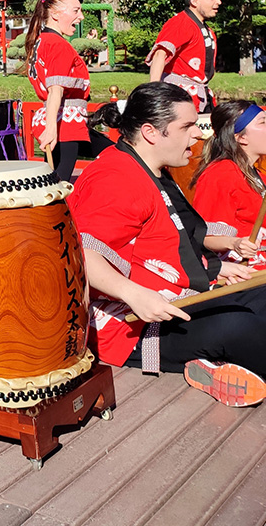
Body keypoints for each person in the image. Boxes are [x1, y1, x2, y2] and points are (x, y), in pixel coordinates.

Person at [72, 82, 266, 406]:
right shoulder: (114, 178)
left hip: (180, 299)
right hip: (135, 324)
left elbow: (169, 240)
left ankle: (209, 363)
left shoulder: (152, 169)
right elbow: (82, 253)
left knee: (260, 297)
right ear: (151, 132)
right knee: (241, 326)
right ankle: (211, 359)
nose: (198, 134)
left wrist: (218, 266)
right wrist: (133, 293)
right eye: (187, 126)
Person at [24, 0, 111, 181]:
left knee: (115, 153)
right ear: (55, 14)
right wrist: (51, 129)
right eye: (75, 11)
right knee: (59, 183)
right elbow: (56, 89)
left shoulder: (40, 41)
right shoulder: (57, 44)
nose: (81, 16)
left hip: (62, 119)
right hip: (64, 123)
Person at [192, 101, 266, 270]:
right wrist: (235, 243)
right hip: (243, 272)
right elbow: (205, 235)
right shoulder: (220, 174)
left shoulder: (257, 174)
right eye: (262, 122)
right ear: (241, 137)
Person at [148, 0, 221, 112]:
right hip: (178, 98)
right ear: (195, 1)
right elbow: (160, 54)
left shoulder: (205, 29)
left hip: (198, 94)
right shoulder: (181, 23)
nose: (219, 2)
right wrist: (153, 92)